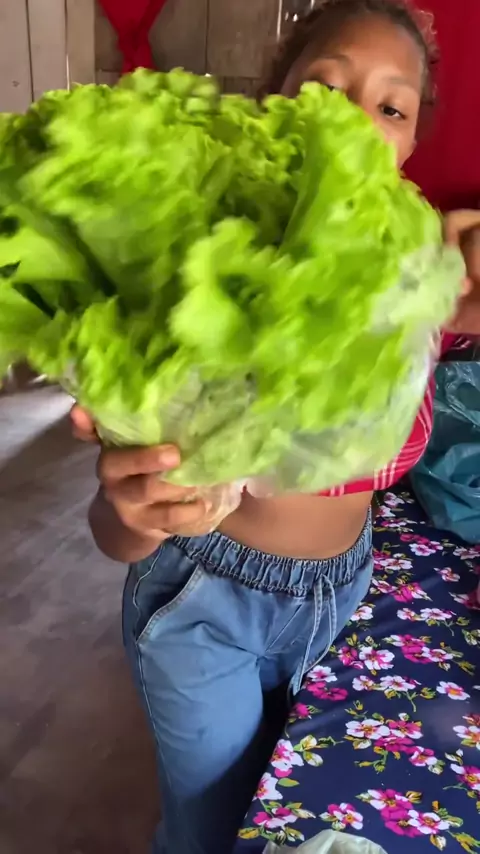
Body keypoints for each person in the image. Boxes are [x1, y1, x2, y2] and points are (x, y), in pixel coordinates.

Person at [72, 2, 480, 852]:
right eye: (324, 90)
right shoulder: (203, 261)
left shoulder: (417, 277)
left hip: (344, 592)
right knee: (210, 825)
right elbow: (117, 529)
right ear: (271, 106)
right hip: (206, 600)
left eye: (390, 106)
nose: (352, 121)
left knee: (287, 808)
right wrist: (131, 511)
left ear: (409, 142)